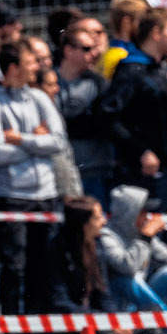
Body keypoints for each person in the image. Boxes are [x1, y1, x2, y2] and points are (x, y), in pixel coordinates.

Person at [0, 39, 65, 330]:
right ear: (13, 67)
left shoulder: (39, 98)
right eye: (30, 63)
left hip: (46, 193)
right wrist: (37, 141)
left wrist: (21, 139)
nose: (35, 68)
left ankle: (40, 326)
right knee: (14, 265)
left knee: (45, 262)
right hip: (12, 195)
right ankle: (13, 327)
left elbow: (58, 141)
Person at [99, 6, 167, 211]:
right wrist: (142, 151)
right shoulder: (130, 70)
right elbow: (108, 117)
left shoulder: (162, 69)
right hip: (143, 174)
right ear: (156, 33)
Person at [97, 186, 167, 316]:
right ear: (129, 213)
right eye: (143, 212)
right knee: (131, 280)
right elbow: (128, 267)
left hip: (141, 302)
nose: (147, 217)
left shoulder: (139, 232)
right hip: (118, 309)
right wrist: (146, 236)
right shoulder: (107, 235)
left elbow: (164, 253)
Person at [54, 14, 116, 206]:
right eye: (86, 49)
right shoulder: (50, 81)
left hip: (94, 168)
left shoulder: (98, 84)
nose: (94, 54)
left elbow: (100, 123)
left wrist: (65, 124)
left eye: (94, 49)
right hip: (61, 170)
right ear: (68, 50)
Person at [100, 0, 148, 79]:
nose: (144, 27)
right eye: (141, 22)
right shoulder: (121, 57)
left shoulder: (108, 53)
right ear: (127, 23)